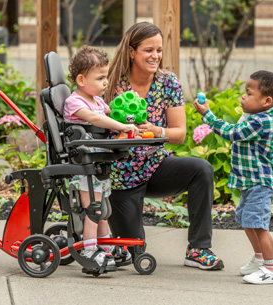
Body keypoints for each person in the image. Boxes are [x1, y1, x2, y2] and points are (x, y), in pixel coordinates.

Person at [105, 22, 224, 270]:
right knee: (134, 252)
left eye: (159, 50)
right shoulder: (111, 84)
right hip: (120, 177)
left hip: (156, 166)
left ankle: (199, 249)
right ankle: (123, 244)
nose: (155, 56)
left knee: (201, 169)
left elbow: (179, 134)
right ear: (131, 51)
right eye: (148, 50)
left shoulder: (168, 82)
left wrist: (158, 131)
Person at [193, 70, 273, 284]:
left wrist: (208, 116)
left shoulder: (261, 121)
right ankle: (259, 258)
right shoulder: (258, 115)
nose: (243, 97)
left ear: (266, 101)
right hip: (251, 182)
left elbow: (234, 133)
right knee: (247, 220)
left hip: (261, 183)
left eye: (249, 93)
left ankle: (270, 269)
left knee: (259, 225)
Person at [64, 46, 139, 268]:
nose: (106, 82)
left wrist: (128, 103)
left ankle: (105, 248)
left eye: (106, 77)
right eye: (100, 78)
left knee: (103, 211)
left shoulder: (98, 101)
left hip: (98, 165)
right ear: (81, 79)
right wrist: (121, 125)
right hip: (84, 167)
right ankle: (89, 251)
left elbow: (113, 112)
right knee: (93, 211)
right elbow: (97, 120)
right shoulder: (75, 102)